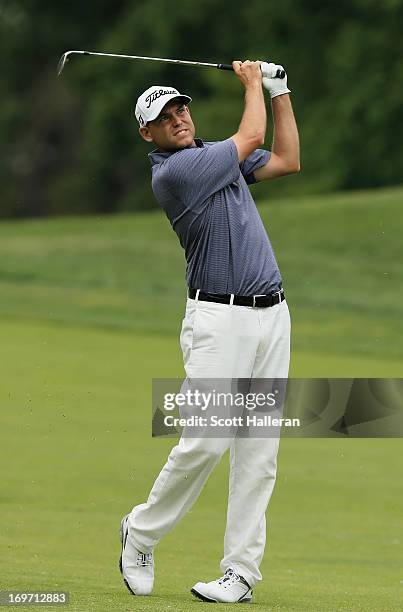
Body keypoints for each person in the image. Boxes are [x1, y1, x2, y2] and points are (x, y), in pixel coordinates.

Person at [119, 59, 300, 604]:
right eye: (163, 115)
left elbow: (288, 160)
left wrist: (280, 91)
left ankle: (240, 573)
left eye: (181, 107)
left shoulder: (213, 158)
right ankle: (141, 532)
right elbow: (250, 135)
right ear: (146, 132)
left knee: (259, 452)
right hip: (218, 320)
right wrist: (251, 84)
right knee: (205, 442)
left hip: (273, 315)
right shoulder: (174, 173)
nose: (177, 117)